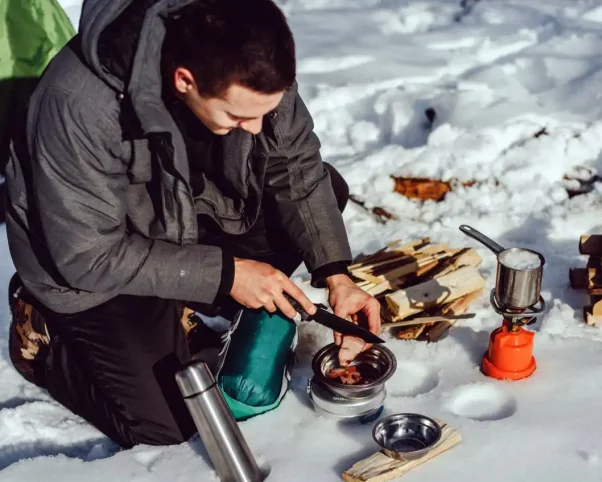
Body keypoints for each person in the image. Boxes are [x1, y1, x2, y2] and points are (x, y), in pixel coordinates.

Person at [4, 0, 381, 448]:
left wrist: (336, 276)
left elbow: (295, 165)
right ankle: (47, 343)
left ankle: (178, 305)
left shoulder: (253, 55)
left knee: (322, 192)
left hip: (182, 219)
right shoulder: (79, 105)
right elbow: (86, 254)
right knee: (173, 425)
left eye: (266, 110)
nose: (258, 127)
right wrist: (227, 275)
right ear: (185, 80)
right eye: (239, 117)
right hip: (89, 266)